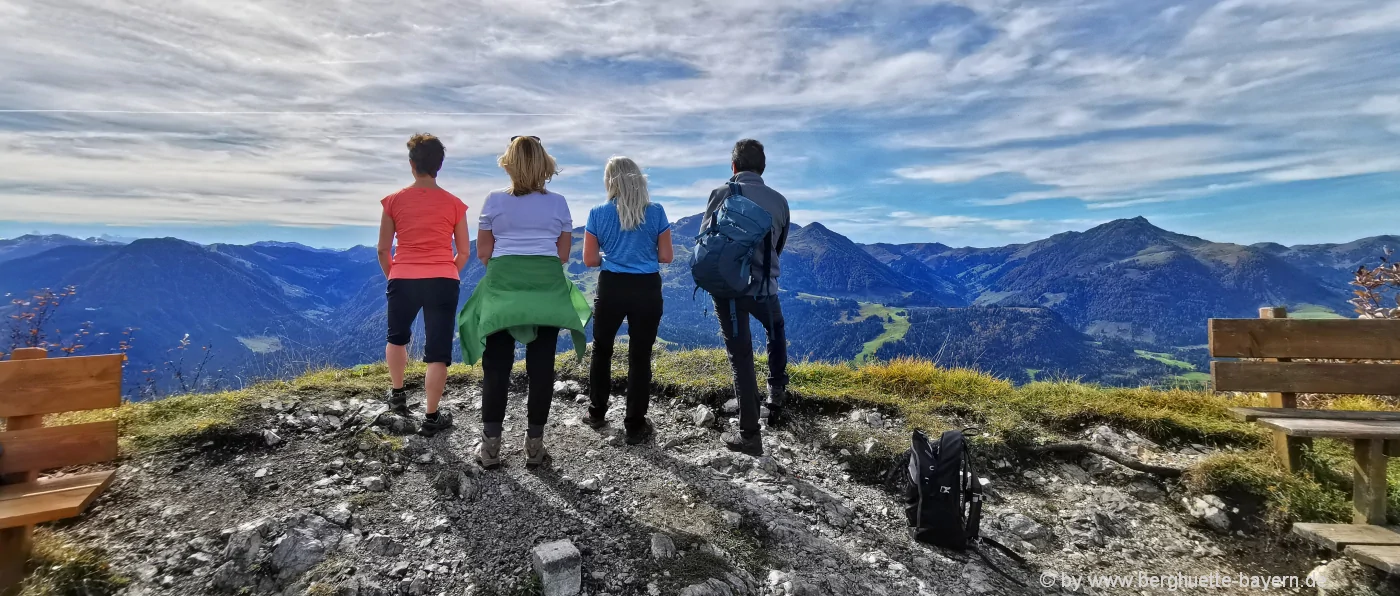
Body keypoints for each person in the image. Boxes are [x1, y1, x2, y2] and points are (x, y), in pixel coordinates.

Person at [457, 135, 591, 470]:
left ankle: (490, 449)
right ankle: (534, 448)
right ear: (544, 165)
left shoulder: (492, 201)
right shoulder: (559, 203)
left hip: (503, 282)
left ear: (510, 164)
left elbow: (484, 252)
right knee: (542, 365)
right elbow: (562, 254)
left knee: (497, 365)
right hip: (546, 282)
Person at [376, 133, 469, 436]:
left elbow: (382, 249)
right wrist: (446, 270)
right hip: (443, 279)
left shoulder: (393, 202)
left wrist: (395, 274)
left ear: (411, 164)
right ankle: (431, 417)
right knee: (438, 350)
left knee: (397, 337)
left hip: (402, 276)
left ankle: (398, 394)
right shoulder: (455, 205)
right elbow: (464, 252)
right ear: (439, 165)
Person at [702, 139, 790, 456]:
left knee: (741, 357)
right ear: (762, 168)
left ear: (734, 166)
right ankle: (776, 391)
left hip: (729, 291)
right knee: (775, 328)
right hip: (764, 287)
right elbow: (778, 247)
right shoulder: (780, 202)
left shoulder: (720, 195)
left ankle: (750, 435)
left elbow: (707, 245)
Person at [581, 156, 673, 444]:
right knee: (640, 355)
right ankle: (634, 423)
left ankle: (597, 412)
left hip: (611, 286)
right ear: (638, 178)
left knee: (602, 350)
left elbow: (589, 260)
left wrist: (613, 254)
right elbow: (666, 256)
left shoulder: (597, 213)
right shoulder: (656, 211)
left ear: (610, 181)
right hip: (646, 287)